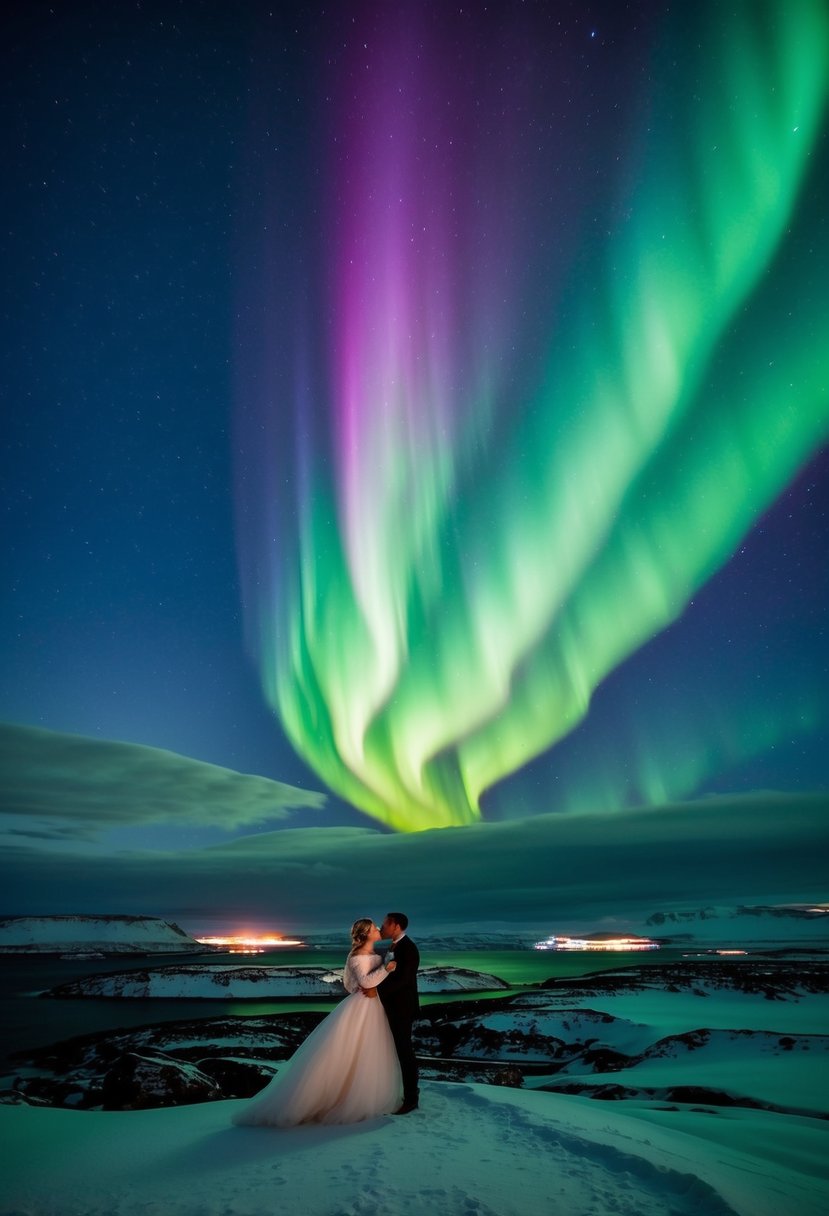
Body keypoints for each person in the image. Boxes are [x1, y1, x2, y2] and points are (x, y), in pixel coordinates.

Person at [232, 918, 403, 1127]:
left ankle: (362, 1096)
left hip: (369, 1005)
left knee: (366, 1052)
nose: (378, 929)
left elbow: (351, 985)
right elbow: (363, 982)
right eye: (374, 927)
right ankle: (343, 1100)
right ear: (366, 934)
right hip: (363, 1008)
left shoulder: (372, 955)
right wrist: (385, 970)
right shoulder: (357, 956)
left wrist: (377, 979)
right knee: (351, 1051)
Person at [378, 911, 420, 1113]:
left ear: (395, 926)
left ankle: (411, 1098)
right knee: (396, 1051)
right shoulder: (394, 946)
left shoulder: (408, 948)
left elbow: (404, 980)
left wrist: (376, 991)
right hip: (392, 1006)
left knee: (405, 1052)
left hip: (402, 1008)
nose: (381, 927)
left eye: (385, 924)